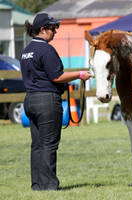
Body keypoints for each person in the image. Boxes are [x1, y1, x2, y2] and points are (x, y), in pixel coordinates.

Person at [20, 13, 91, 191]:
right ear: (43, 29)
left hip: (30, 100)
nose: (55, 31)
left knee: (37, 145)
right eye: (53, 28)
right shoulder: (46, 49)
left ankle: (37, 185)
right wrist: (79, 74)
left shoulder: (26, 50)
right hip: (46, 101)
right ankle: (50, 186)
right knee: (49, 144)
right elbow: (57, 76)